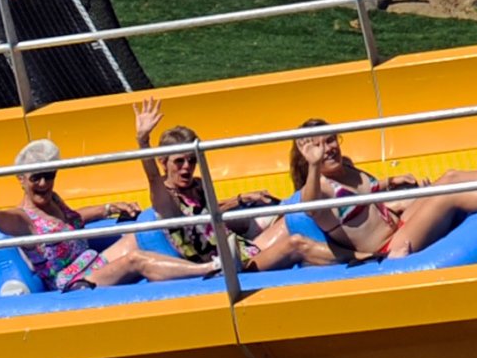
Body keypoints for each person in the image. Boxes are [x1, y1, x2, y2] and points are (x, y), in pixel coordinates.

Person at [0, 137, 217, 291]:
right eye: (36, 178)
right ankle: (208, 269)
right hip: (72, 283)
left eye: (49, 176)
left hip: (90, 262)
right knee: (135, 259)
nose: (44, 184)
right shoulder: (23, 218)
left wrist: (109, 207)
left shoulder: (53, 202)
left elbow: (73, 220)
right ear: (21, 180)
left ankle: (202, 252)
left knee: (136, 235)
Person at [289, 119, 477, 260]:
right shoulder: (320, 187)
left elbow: (370, 198)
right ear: (307, 155)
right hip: (391, 247)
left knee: (449, 177)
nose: (328, 149)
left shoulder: (346, 169)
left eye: (331, 140)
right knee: (447, 195)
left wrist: (389, 185)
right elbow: (309, 204)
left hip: (400, 225)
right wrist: (313, 166)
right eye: (318, 146)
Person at [134, 100, 331, 272]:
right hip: (230, 266)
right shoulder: (165, 199)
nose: (187, 167)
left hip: (241, 249)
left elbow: (206, 212)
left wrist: (240, 199)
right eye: (179, 161)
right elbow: (152, 177)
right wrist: (143, 141)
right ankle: (352, 257)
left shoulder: (196, 185)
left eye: (192, 161)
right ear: (163, 161)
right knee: (296, 243)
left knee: (289, 214)